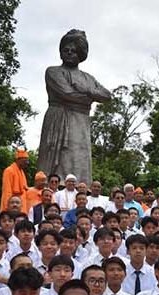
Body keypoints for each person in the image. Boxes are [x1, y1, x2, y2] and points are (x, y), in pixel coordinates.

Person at [37, 29, 111, 183]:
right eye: (66, 50)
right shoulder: (53, 72)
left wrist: (87, 90)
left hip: (81, 123)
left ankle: (82, 188)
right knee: (58, 160)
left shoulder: (87, 78)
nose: (70, 53)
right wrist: (89, 98)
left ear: (81, 54)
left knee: (79, 158)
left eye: (74, 50)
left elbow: (106, 95)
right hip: (59, 118)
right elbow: (67, 93)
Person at [1, 148, 29, 213]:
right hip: (12, 207)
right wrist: (7, 208)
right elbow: (7, 191)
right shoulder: (9, 171)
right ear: (18, 160)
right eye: (25, 161)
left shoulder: (22, 172)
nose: (27, 163)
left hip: (21, 207)